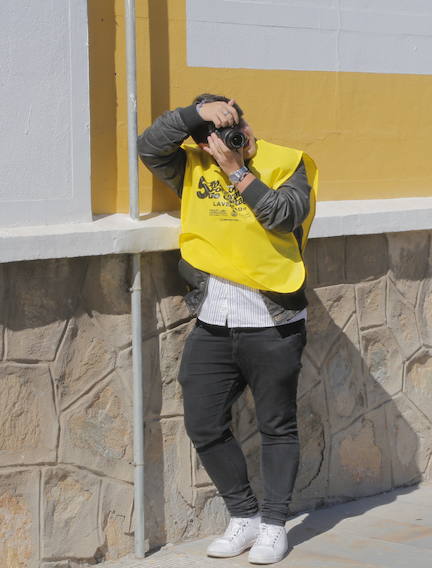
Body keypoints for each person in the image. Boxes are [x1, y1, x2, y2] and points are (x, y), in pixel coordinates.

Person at [138, 94, 318, 564]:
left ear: (242, 121)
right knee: (203, 421)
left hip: (272, 322)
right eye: (209, 135)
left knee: (277, 426)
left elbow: (285, 215)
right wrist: (195, 118)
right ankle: (245, 517)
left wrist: (239, 169)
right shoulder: (194, 166)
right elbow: (150, 145)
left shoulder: (287, 162)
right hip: (215, 322)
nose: (219, 142)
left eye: (227, 127)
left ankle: (276, 526)